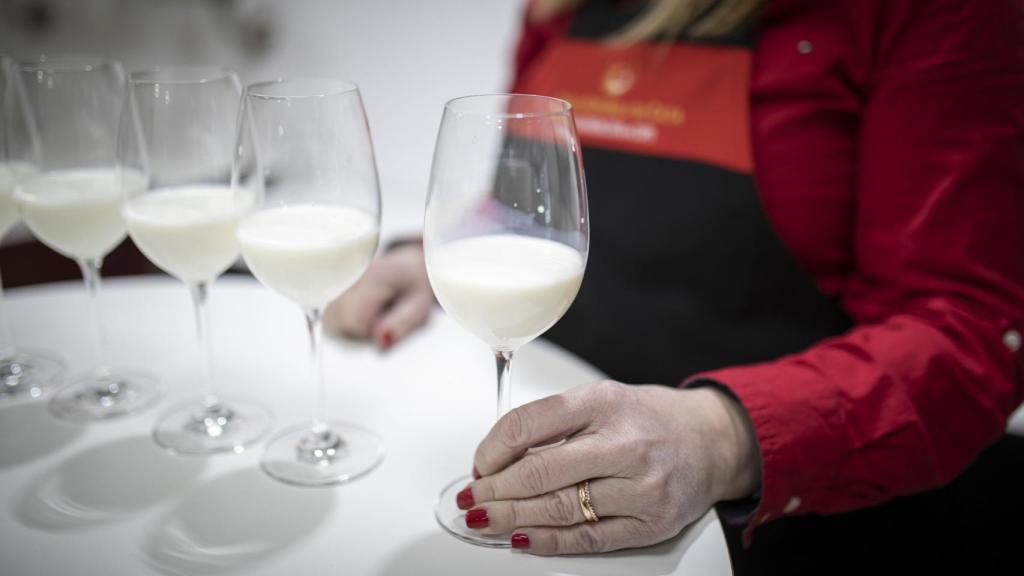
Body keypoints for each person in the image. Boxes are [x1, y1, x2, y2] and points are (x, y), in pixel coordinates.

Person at [328, 0, 1024, 571]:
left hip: (790, 525)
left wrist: (724, 438)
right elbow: (533, 206)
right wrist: (431, 259)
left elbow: (969, 326)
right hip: (559, 473)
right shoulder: (560, 9)